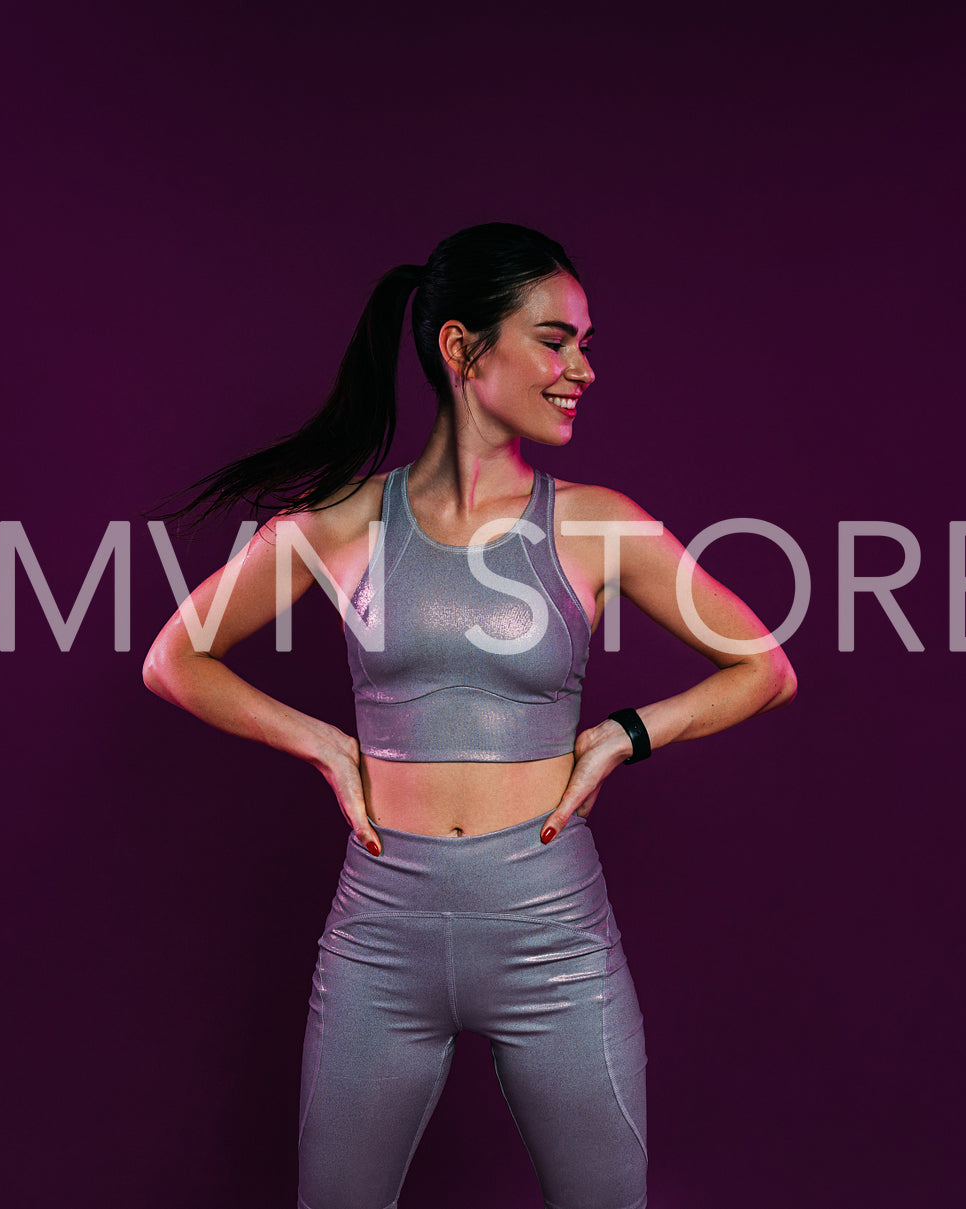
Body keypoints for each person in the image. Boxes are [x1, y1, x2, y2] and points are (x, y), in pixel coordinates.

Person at [141, 222, 798, 1209]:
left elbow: (763, 669)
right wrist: (322, 742)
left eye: (583, 343)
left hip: (551, 929)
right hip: (381, 929)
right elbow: (173, 658)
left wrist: (623, 737)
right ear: (460, 348)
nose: (579, 368)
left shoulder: (597, 523)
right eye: (552, 340)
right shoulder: (342, 521)